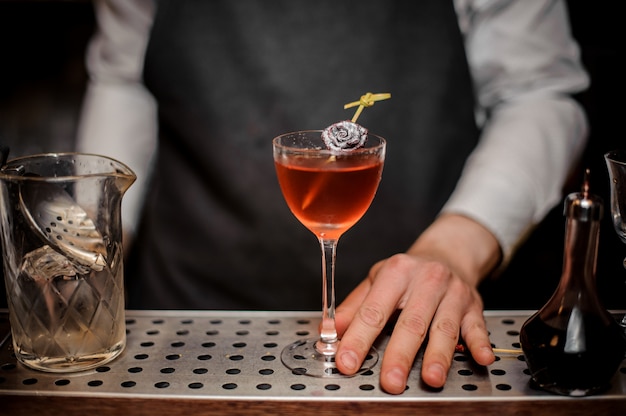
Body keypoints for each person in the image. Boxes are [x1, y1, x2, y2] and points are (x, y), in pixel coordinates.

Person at [77, 0, 589, 395]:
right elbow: (124, 76)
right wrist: (92, 243)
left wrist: (454, 248)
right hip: (184, 318)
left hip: (406, 327)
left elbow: (539, 92)